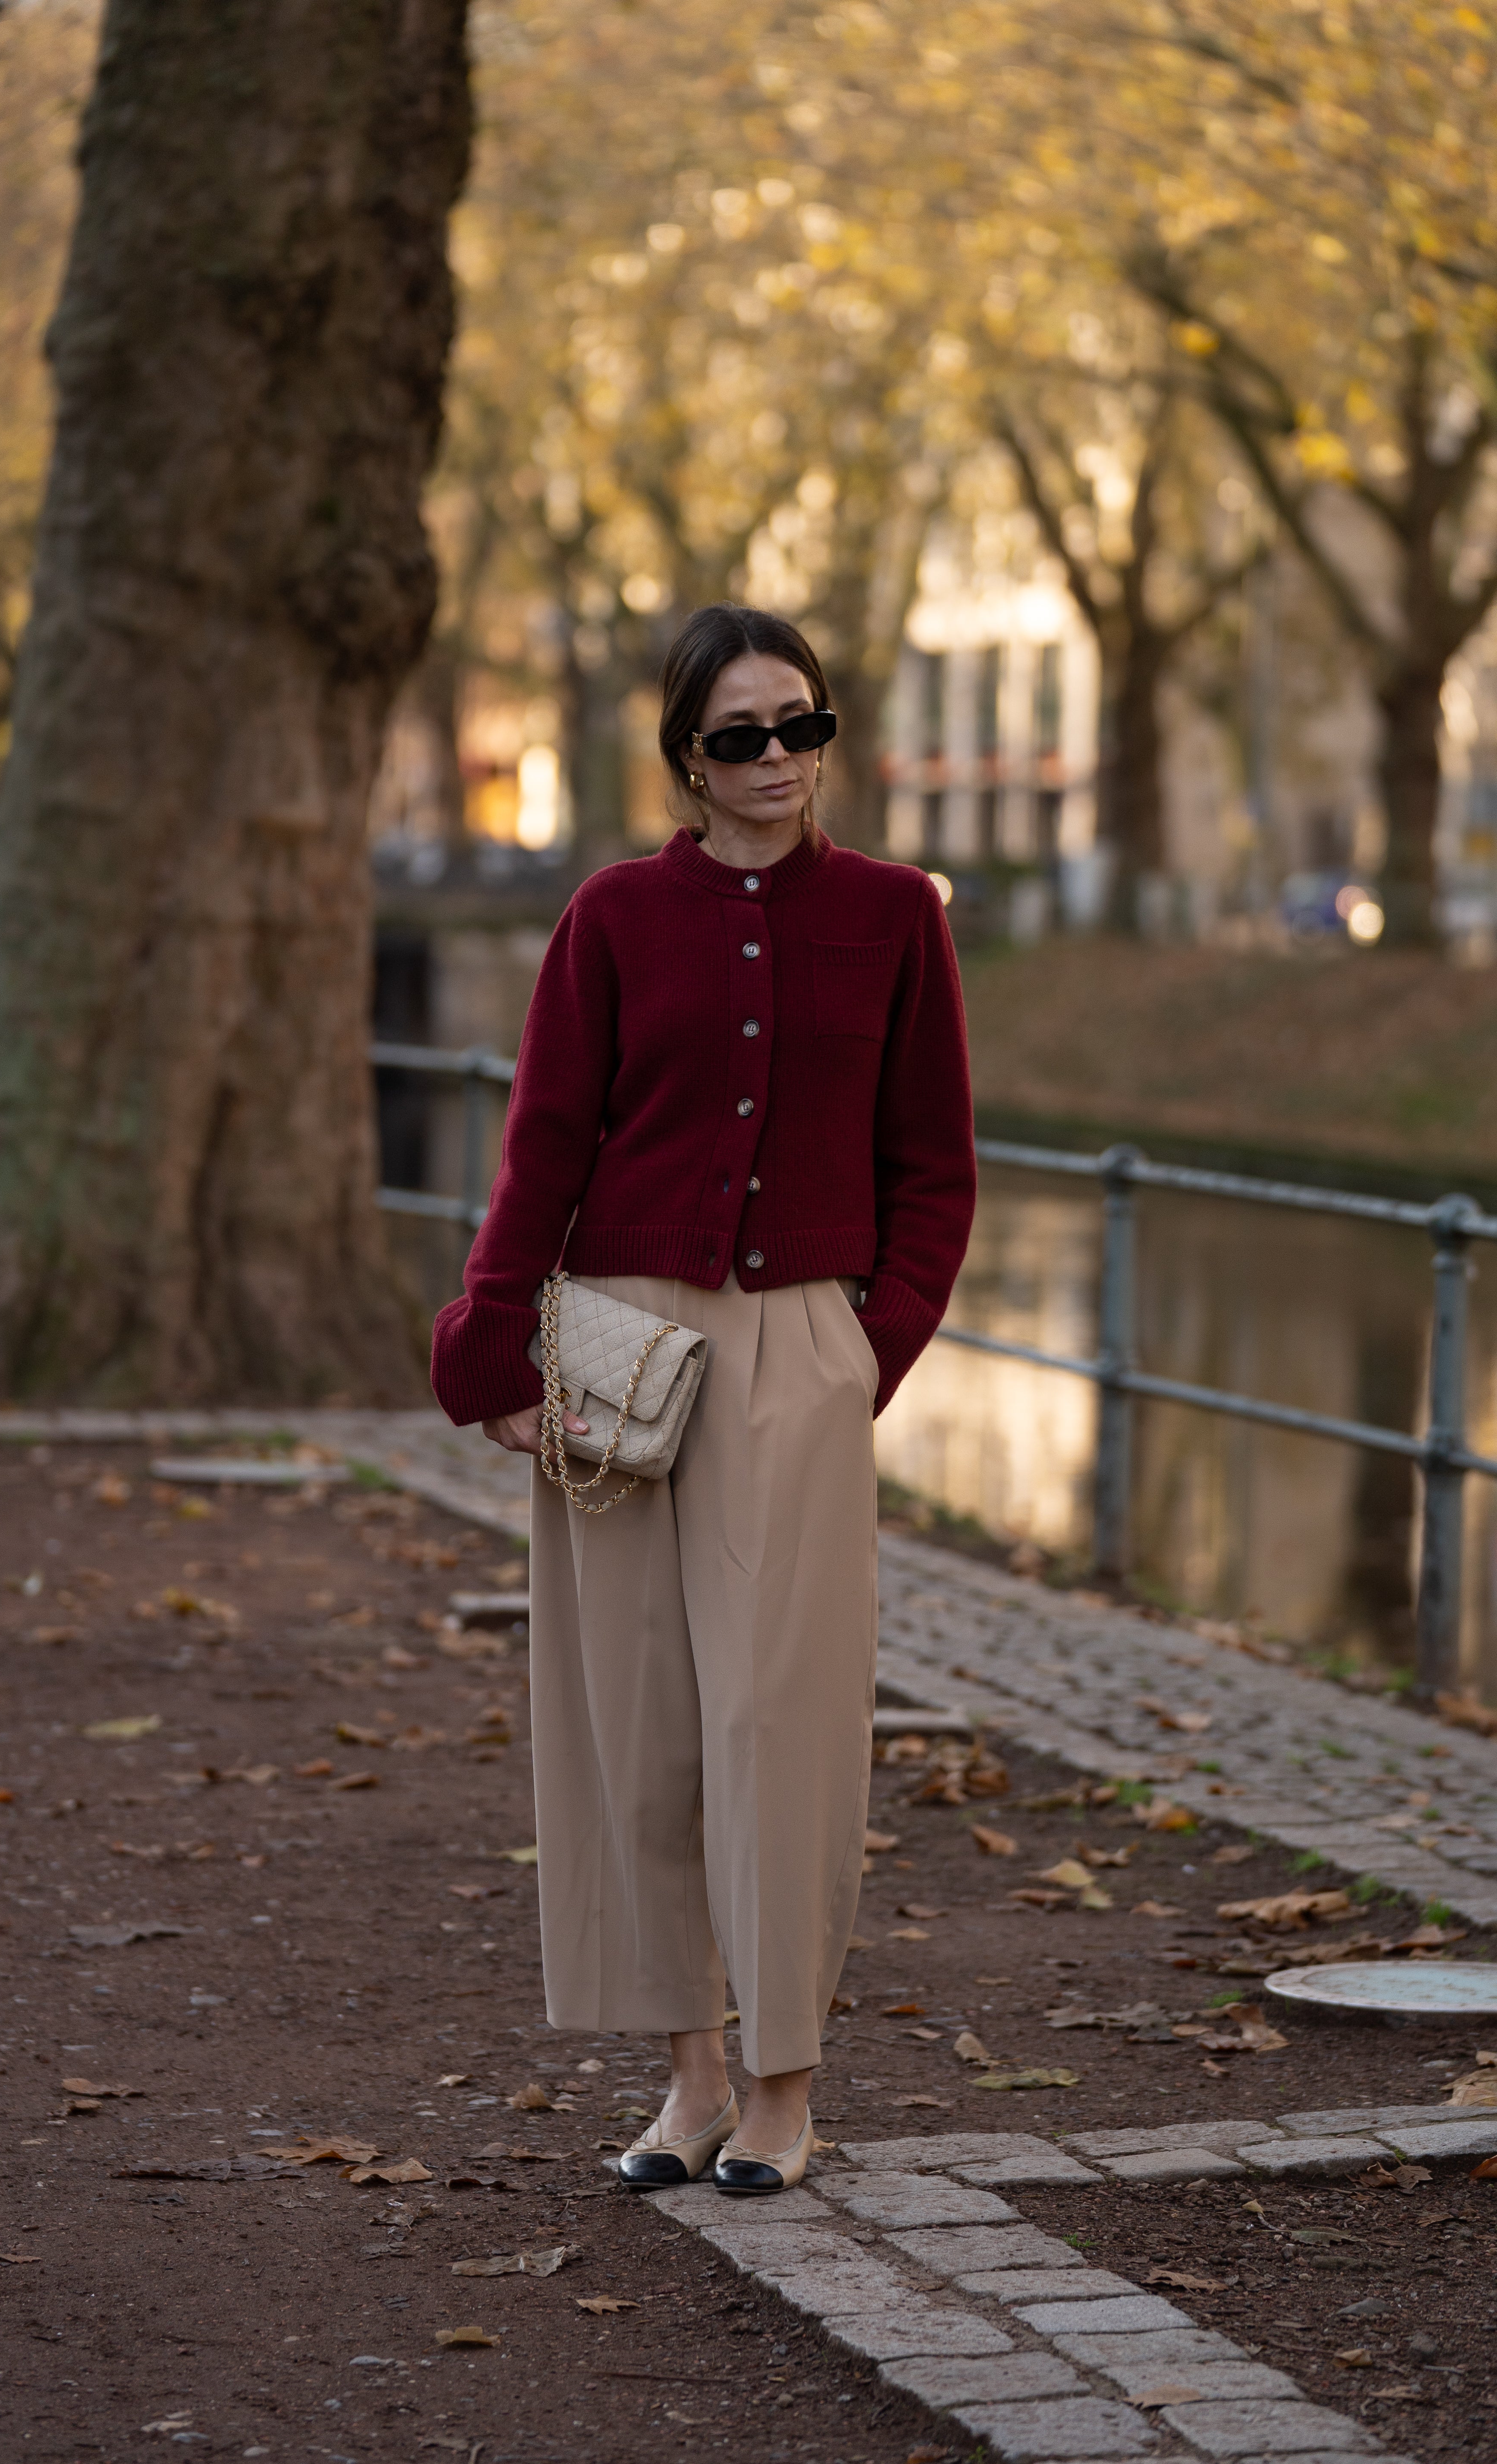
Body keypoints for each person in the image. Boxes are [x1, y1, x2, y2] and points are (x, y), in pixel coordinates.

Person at [430, 601, 974, 2192]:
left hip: (802, 1353)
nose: (777, 761)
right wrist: (492, 1350)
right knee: (638, 1724)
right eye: (740, 736)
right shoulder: (610, 918)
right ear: (686, 758)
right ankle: (687, 2078)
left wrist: (872, 1347)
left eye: (799, 726)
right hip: (614, 1349)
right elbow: (547, 1147)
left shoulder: (894, 918)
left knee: (777, 1724)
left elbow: (932, 1170)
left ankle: (786, 2085)